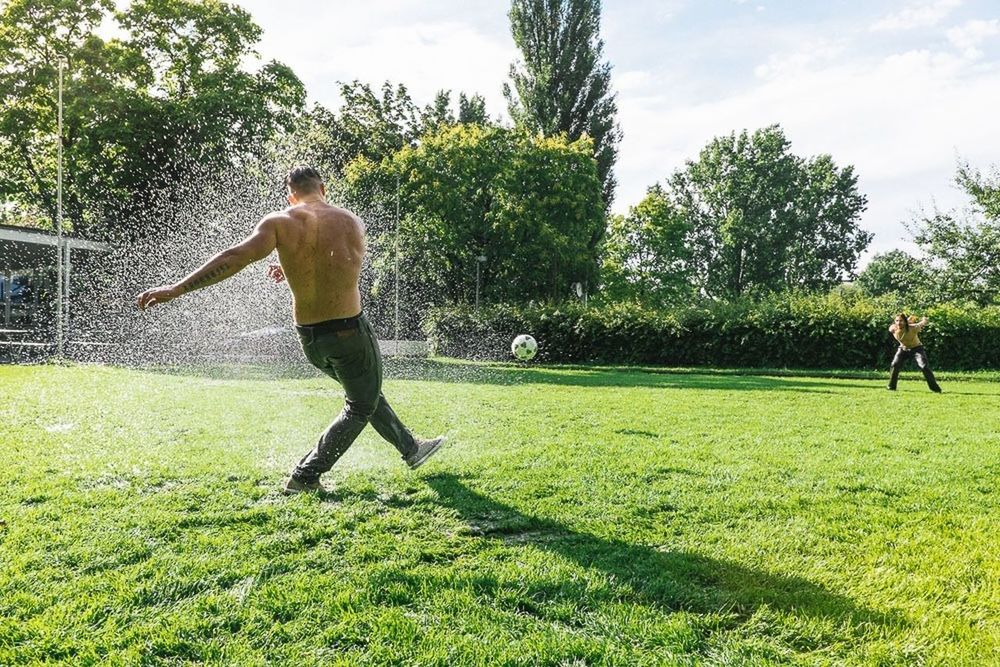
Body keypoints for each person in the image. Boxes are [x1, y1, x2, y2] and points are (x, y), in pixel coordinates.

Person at [136, 166, 445, 494]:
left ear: (291, 196)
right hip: (348, 334)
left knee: (365, 394)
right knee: (360, 404)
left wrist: (177, 288)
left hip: (311, 340)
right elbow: (344, 264)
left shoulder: (279, 222)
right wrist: (304, 265)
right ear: (323, 189)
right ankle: (305, 475)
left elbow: (235, 257)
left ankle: (411, 448)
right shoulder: (349, 220)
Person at [887, 313, 942, 393]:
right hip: (903, 348)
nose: (898, 323)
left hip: (917, 348)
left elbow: (922, 323)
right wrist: (907, 321)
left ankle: (935, 389)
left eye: (901, 321)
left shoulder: (913, 328)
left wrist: (924, 319)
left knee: (924, 366)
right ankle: (891, 387)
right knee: (895, 364)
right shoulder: (893, 328)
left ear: (905, 322)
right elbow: (891, 328)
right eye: (897, 321)